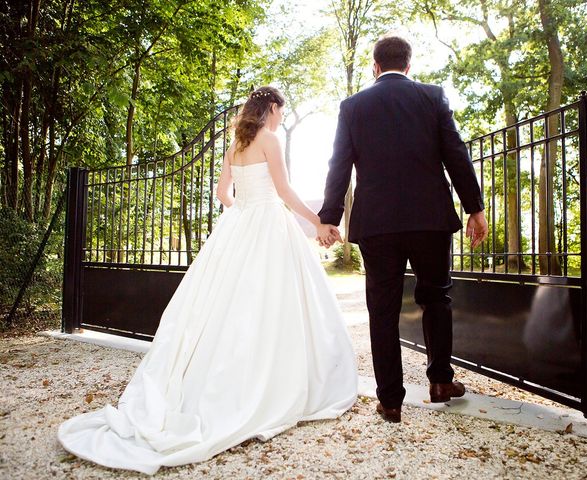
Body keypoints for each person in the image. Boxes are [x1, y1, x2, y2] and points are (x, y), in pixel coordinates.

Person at [57, 86, 358, 475]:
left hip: (240, 225)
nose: (282, 117)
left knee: (224, 303)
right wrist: (317, 222)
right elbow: (283, 191)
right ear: (270, 108)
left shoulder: (234, 147)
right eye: (281, 111)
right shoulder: (270, 139)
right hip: (268, 224)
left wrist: (242, 215)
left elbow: (222, 194)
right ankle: (277, 382)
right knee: (271, 302)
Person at [317, 35, 488, 424]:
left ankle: (390, 401)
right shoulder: (432, 97)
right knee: (436, 298)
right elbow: (456, 154)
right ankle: (441, 382)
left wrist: (329, 216)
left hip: (377, 224)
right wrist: (474, 208)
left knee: (382, 310)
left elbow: (338, 165)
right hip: (430, 219)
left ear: (375, 66)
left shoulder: (353, 106)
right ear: (409, 66)